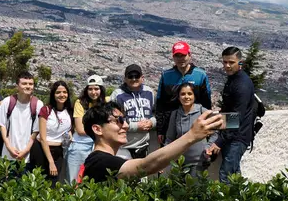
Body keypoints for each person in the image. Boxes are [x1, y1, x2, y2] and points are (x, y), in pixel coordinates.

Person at [79, 101, 222, 182]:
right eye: (119, 121)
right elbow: (146, 166)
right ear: (97, 129)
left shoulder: (102, 160)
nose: (126, 125)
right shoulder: (99, 162)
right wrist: (192, 135)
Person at [207, 47, 255, 183]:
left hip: (237, 136)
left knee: (226, 175)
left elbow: (236, 118)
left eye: (231, 62)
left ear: (240, 62)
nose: (227, 66)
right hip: (232, 134)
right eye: (225, 62)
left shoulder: (242, 84)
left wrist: (219, 142)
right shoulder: (233, 79)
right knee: (234, 173)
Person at [156, 41, 212, 146]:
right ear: (173, 57)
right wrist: (160, 130)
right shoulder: (166, 75)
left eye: (183, 55)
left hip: (194, 124)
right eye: (177, 55)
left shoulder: (200, 75)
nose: (180, 58)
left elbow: (206, 103)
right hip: (170, 127)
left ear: (189, 55)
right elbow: (161, 103)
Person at [0, 71, 44, 170]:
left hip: (28, 156)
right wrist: (9, 146)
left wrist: (26, 150)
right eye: (24, 83)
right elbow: (2, 125)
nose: (28, 86)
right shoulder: (8, 101)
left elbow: (36, 130)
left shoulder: (38, 104)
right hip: (8, 154)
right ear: (17, 86)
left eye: (31, 84)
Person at [164, 82, 213, 177]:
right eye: (183, 94)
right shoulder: (175, 114)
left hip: (199, 162)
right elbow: (169, 139)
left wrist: (208, 146)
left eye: (189, 93)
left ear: (194, 96)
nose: (186, 97)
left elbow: (216, 133)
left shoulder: (203, 112)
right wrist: (163, 160)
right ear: (178, 97)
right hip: (179, 163)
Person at [65, 75, 107, 182]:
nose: (93, 92)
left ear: (101, 89)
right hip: (81, 145)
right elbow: (80, 129)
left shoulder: (106, 103)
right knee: (74, 181)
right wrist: (103, 131)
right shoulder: (80, 103)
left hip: (100, 146)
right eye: (90, 89)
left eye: (96, 89)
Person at [110, 64, 156, 160]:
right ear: (125, 79)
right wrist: (136, 126)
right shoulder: (117, 94)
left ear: (142, 78)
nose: (134, 79)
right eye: (130, 76)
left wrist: (152, 122)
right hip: (123, 146)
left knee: (142, 174)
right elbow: (113, 120)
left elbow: (154, 113)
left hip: (143, 145)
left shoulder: (149, 92)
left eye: (137, 76)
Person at [33, 81, 73, 187]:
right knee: (38, 182)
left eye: (64, 92)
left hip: (59, 151)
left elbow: (68, 128)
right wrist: (51, 162)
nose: (62, 95)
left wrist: (69, 136)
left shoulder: (69, 111)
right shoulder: (46, 110)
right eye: (58, 92)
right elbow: (42, 137)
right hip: (42, 150)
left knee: (54, 184)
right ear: (53, 94)